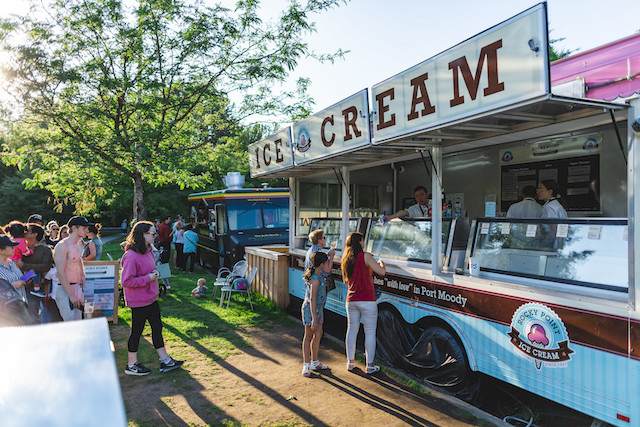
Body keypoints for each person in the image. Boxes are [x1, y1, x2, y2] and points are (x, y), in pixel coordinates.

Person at [121, 220, 184, 375]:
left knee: (157, 327)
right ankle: (131, 364)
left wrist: (154, 274)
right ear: (142, 235)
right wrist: (148, 278)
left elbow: (149, 269)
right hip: (139, 301)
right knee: (137, 331)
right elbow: (126, 281)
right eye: (152, 233)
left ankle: (165, 361)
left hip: (151, 298)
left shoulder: (148, 251)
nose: (155, 236)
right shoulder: (131, 256)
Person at [341, 232, 386, 374]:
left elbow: (346, 281)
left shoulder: (346, 258)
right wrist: (381, 262)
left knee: (352, 330)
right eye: (363, 240)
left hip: (352, 299)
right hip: (367, 299)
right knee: (370, 333)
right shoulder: (366, 256)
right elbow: (381, 272)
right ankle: (370, 366)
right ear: (360, 242)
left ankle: (350, 362)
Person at [54, 216, 91, 321]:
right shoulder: (62, 246)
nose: (87, 231)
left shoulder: (77, 244)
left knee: (80, 322)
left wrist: (82, 275)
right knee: (71, 325)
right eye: (84, 228)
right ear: (74, 228)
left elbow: (78, 259)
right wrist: (72, 295)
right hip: (65, 289)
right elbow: (60, 272)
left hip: (77, 288)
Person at [300, 251, 330, 377]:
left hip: (318, 309)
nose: (328, 264)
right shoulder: (316, 280)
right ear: (322, 264)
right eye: (326, 261)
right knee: (308, 336)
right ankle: (306, 365)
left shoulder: (319, 275)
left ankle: (315, 362)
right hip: (311, 310)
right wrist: (314, 318)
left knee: (318, 334)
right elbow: (312, 299)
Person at [20, 223, 53, 304]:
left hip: (40, 287)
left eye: (27, 230)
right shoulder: (20, 248)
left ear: (35, 234)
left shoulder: (45, 250)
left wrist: (23, 266)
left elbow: (45, 266)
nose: (24, 232)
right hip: (22, 286)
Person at [0, 235, 28, 304]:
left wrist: (26, 279)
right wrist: (13, 286)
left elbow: (18, 280)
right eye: (11, 247)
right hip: (7, 310)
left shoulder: (12, 263)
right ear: (1, 250)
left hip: (22, 306)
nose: (14, 248)